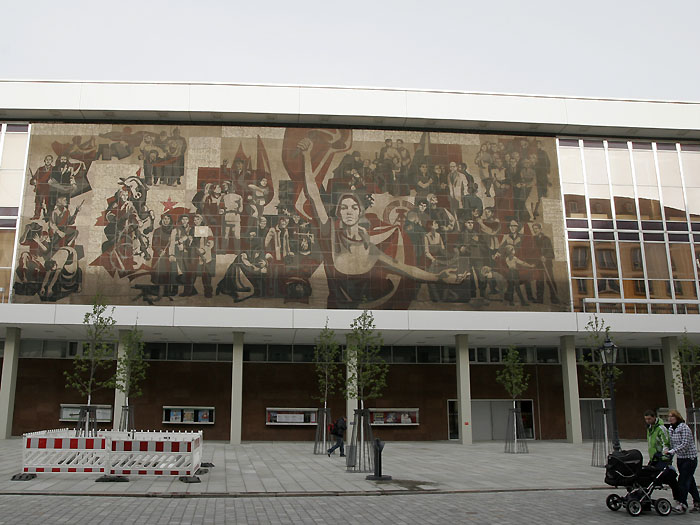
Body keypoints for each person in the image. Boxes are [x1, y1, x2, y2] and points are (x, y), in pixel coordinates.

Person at [665, 409, 700, 513]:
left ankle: (682, 503)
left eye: (672, 416)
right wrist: (667, 450)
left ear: (677, 417)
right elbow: (671, 443)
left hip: (690, 458)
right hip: (680, 458)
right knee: (690, 481)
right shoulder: (671, 428)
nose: (670, 418)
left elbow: (685, 444)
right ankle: (697, 501)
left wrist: (672, 451)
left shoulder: (683, 427)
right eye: (669, 416)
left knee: (683, 481)